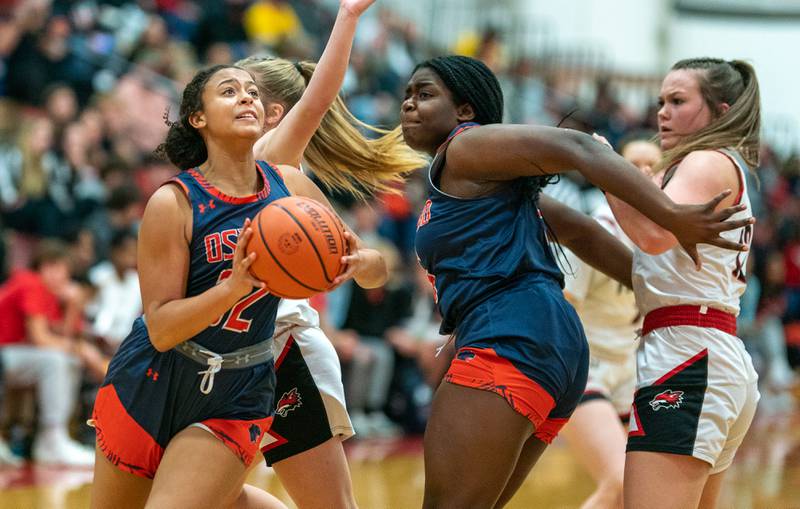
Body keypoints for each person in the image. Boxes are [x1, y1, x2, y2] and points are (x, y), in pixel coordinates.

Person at [400, 55, 752, 508]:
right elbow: (581, 231)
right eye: (407, 94)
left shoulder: (466, 147)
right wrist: (660, 292)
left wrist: (672, 216)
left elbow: (580, 148)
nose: (409, 104)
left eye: (424, 94)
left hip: (513, 335)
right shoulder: (493, 182)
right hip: (555, 350)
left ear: (465, 110)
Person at [89, 64, 387, 509]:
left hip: (238, 386)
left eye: (252, 91)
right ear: (198, 118)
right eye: (229, 92)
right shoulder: (174, 203)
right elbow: (161, 329)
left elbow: (378, 271)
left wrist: (362, 262)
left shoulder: (290, 187)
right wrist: (229, 290)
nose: (247, 98)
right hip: (155, 377)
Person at [233, 0, 425, 506]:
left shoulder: (270, 160)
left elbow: (377, 267)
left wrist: (347, 17)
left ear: (272, 116)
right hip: (220, 352)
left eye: (239, 90)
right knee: (207, 494)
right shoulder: (198, 178)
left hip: (282, 349)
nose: (226, 96)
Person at [605, 58, 762, 509]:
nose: (662, 113)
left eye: (678, 101)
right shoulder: (704, 167)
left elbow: (654, 235)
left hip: (688, 356)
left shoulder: (706, 160)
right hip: (707, 352)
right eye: (660, 102)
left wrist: (604, 170)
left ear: (720, 111)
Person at [559, 137, 662, 509]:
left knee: (631, 494)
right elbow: (562, 306)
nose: (645, 172)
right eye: (635, 163)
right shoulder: (595, 231)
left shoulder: (660, 237)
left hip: (630, 371)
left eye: (654, 164)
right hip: (587, 369)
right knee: (618, 483)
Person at [0, 239, 95, 466]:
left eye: (62, 269)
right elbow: (42, 339)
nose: (58, 275)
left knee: (66, 359)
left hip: (9, 356)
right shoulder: (31, 283)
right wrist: (82, 351)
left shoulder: (49, 295)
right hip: (4, 356)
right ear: (39, 268)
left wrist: (74, 306)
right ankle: (52, 438)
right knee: (55, 361)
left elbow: (65, 335)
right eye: (51, 267)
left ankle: (53, 439)